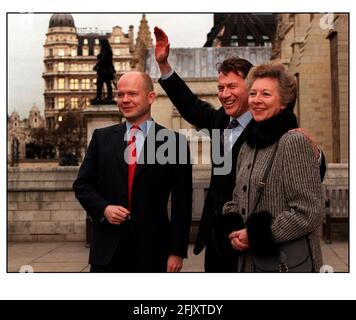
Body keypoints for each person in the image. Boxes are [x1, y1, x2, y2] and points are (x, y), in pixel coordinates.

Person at [154, 26, 326, 272]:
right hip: (219, 238)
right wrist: (164, 66)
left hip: (259, 243)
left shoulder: (275, 129)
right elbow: (188, 104)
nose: (224, 94)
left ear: (250, 87)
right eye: (221, 88)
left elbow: (304, 181)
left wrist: (317, 156)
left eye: (232, 87)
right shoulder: (219, 121)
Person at [73, 71, 192, 272]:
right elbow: (82, 185)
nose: (125, 100)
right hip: (107, 252)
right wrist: (104, 209)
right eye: (120, 95)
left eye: (132, 94)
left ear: (151, 97)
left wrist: (177, 251)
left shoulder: (174, 143)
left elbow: (183, 202)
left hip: (154, 252)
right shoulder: (101, 138)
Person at [225, 63, 323, 272]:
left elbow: (309, 212)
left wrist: (257, 234)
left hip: (285, 265)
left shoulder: (293, 141)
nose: (257, 100)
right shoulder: (247, 146)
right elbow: (237, 199)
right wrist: (234, 230)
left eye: (266, 94)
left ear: (283, 102)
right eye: (253, 93)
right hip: (249, 263)